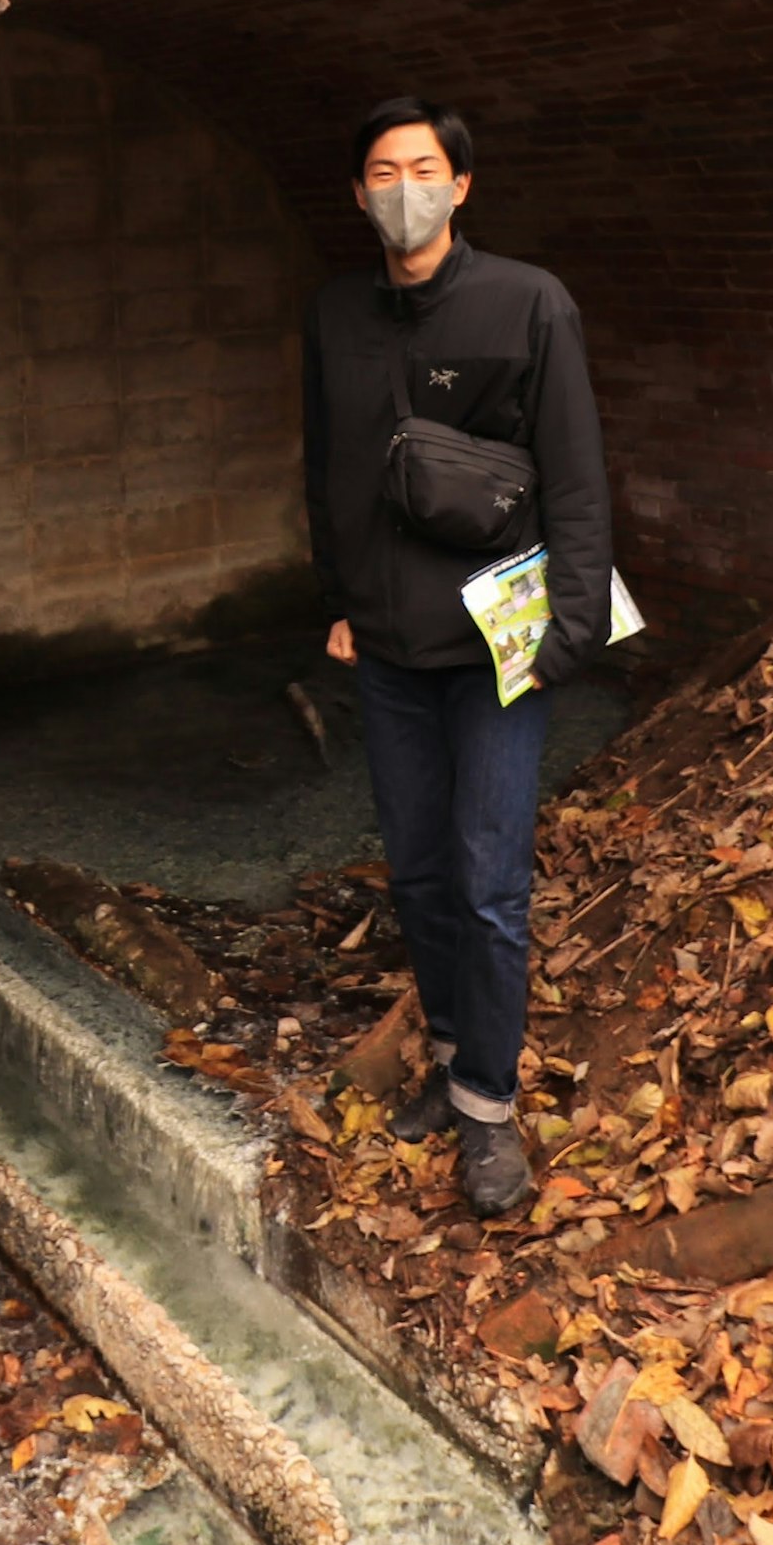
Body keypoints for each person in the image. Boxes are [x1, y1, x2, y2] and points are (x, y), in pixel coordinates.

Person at [300, 97, 613, 1217]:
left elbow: (574, 472)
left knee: (487, 883)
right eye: (381, 170)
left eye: (422, 167)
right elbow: (327, 466)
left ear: (462, 183)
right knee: (423, 871)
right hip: (387, 643)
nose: (403, 187)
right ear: (359, 191)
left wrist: (567, 631)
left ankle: (489, 1109)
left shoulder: (527, 302)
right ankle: (445, 1057)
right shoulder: (339, 310)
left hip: (496, 644)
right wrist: (338, 598)